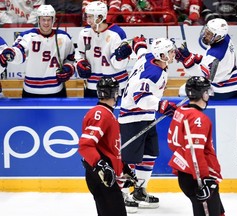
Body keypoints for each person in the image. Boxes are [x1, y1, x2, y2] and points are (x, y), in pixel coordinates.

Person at [118, 36, 177, 210]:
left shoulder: (148, 56)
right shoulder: (153, 73)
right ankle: (121, 194)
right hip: (132, 118)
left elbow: (140, 47)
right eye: (170, 52)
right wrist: (160, 105)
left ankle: (138, 191)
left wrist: (138, 42)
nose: (174, 54)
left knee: (149, 154)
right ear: (162, 55)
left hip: (146, 117)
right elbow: (140, 98)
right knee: (129, 159)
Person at [78, 76, 138, 216]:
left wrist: (122, 167)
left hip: (102, 175)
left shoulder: (106, 114)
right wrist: (101, 166)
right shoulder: (101, 114)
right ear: (116, 93)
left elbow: (108, 148)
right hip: (101, 177)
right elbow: (85, 146)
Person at [168, 76, 225, 216]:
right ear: (203, 94)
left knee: (218, 212)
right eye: (207, 91)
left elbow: (173, 143)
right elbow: (195, 153)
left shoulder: (181, 111)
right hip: (197, 176)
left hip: (186, 173)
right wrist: (204, 179)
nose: (208, 95)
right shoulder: (198, 119)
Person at [0, 4, 75, 98]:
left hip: (56, 89)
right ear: (38, 19)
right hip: (31, 90)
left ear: (54, 20)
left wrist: (68, 68)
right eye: (43, 19)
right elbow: (19, 52)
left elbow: (71, 58)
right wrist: (12, 54)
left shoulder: (64, 37)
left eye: (49, 19)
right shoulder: (27, 36)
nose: (46, 23)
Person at [178, 18, 237, 100]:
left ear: (218, 37)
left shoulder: (215, 55)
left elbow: (202, 76)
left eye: (209, 34)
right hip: (234, 79)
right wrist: (194, 57)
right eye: (206, 30)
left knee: (183, 90)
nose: (205, 34)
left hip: (225, 88)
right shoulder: (225, 37)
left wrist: (186, 61)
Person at [75, 1, 132, 98]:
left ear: (100, 17)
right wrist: (79, 62)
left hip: (115, 85)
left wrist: (120, 57)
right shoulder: (84, 33)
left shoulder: (117, 33)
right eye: (87, 16)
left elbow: (119, 65)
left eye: (90, 17)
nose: (88, 20)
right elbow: (79, 54)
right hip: (92, 85)